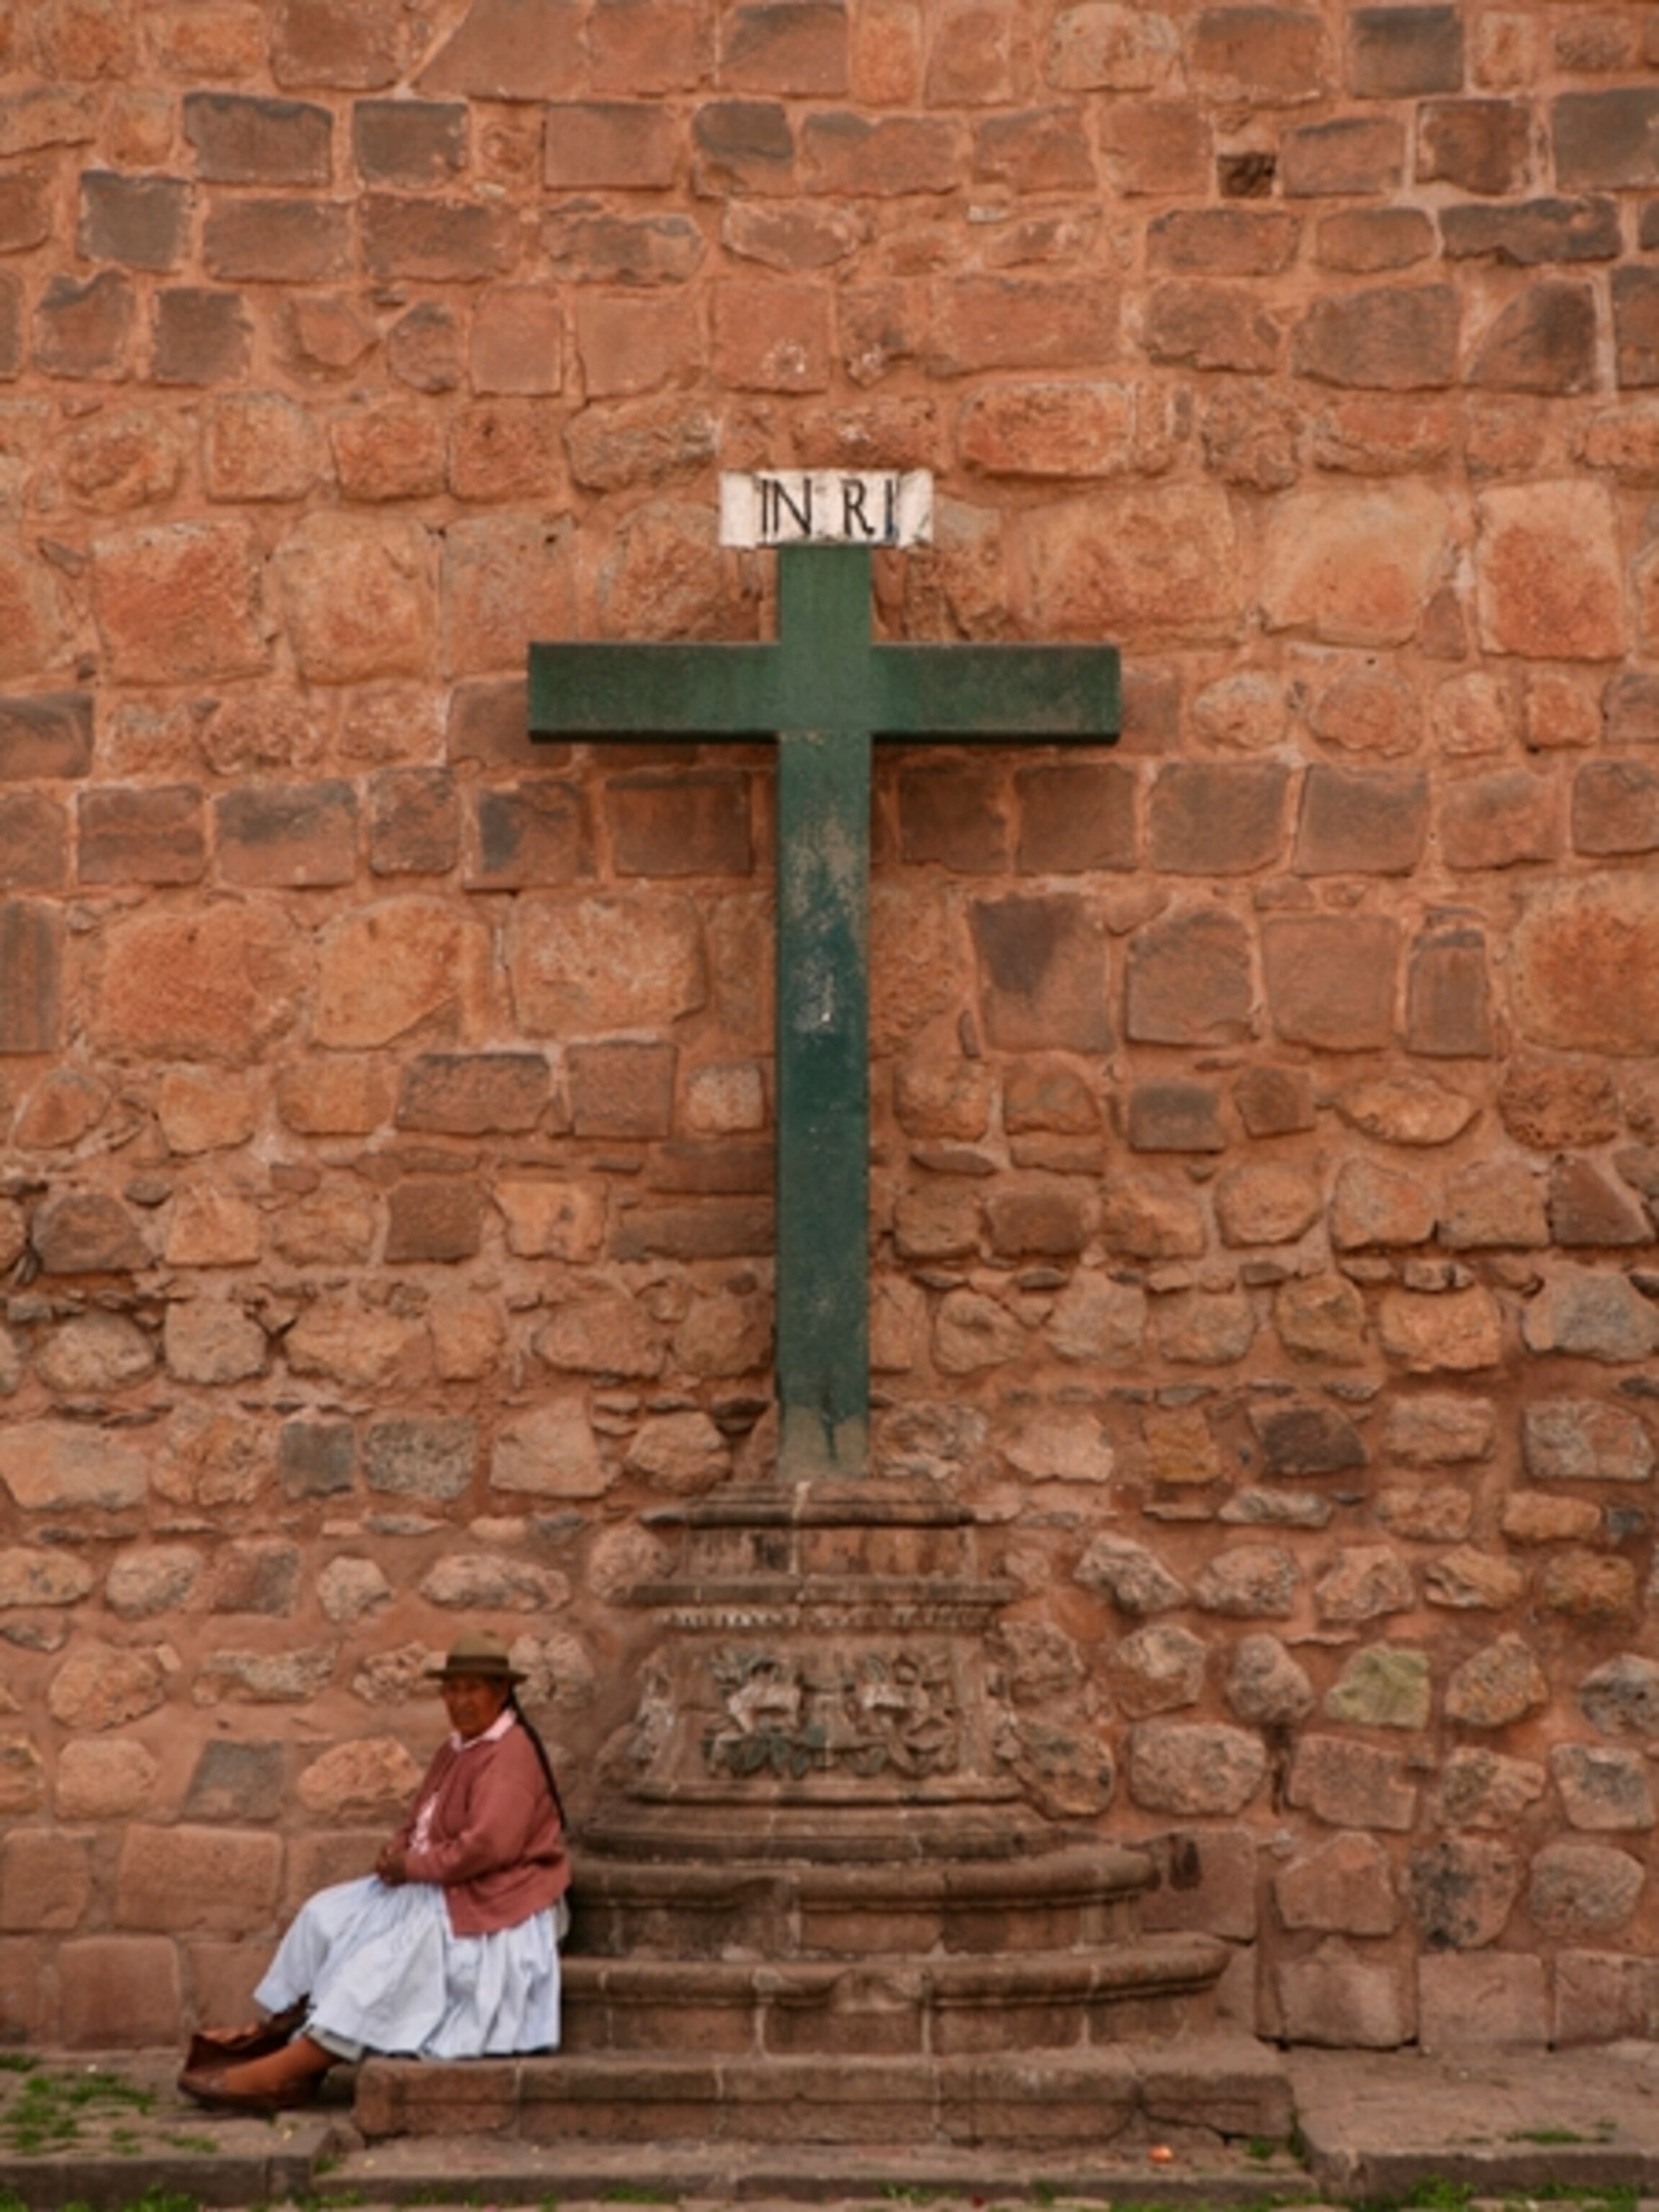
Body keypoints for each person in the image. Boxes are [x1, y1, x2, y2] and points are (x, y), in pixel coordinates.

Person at [179, 1629, 570, 2113]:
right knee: (328, 1914)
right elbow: (421, 1815)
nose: (460, 1701)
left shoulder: (509, 1755)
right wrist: (397, 1851)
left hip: (492, 1895)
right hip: (437, 1878)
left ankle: (292, 2066)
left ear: (501, 1691)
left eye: (472, 1689)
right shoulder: (457, 1748)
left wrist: (413, 1865)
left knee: (388, 1957)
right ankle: (286, 2028)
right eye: (452, 1689)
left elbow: (489, 1847)